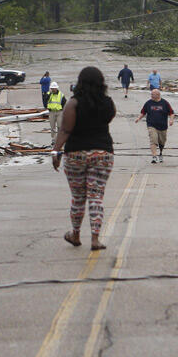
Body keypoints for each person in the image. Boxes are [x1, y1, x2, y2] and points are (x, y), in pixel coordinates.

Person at [52, 66, 117, 251]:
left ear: (80, 82)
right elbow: (108, 119)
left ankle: (76, 234)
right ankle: (95, 239)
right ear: (101, 83)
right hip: (103, 153)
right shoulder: (108, 103)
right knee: (96, 196)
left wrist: (55, 152)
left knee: (78, 198)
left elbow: (65, 130)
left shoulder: (73, 103)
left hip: (76, 154)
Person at [135, 88, 174, 164]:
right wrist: (138, 118)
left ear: (158, 95)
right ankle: (154, 156)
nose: (151, 96)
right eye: (151, 94)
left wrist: (171, 120)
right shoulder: (148, 103)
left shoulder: (165, 103)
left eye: (153, 94)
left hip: (163, 126)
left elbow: (171, 112)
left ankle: (160, 153)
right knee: (153, 140)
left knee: (162, 142)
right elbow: (143, 112)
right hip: (151, 125)